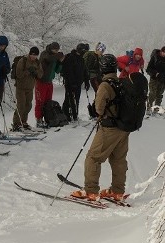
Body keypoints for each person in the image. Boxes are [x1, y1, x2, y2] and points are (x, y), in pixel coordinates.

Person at [71, 54, 132, 202]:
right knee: (119, 160)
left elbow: (99, 109)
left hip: (109, 128)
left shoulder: (105, 85)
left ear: (102, 68)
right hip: (124, 128)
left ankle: (91, 191)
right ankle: (117, 191)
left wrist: (96, 110)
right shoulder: (122, 82)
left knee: (93, 158)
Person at [11, 47, 44, 131]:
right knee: (21, 105)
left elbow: (40, 74)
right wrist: (28, 72)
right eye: (32, 54)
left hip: (30, 87)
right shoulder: (23, 61)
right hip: (21, 87)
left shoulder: (37, 62)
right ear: (30, 53)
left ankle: (23, 122)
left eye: (35, 55)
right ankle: (16, 123)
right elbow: (18, 74)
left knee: (28, 105)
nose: (34, 56)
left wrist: (35, 72)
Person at [35, 42, 64, 128]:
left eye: (57, 50)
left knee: (48, 102)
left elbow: (57, 70)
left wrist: (60, 62)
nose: (56, 51)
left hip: (49, 81)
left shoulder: (54, 57)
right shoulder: (45, 53)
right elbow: (48, 59)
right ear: (51, 48)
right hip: (41, 81)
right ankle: (39, 120)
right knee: (40, 101)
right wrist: (57, 57)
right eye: (55, 50)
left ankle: (48, 118)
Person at [61, 43, 88, 122]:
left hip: (78, 83)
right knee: (69, 99)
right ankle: (66, 115)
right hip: (70, 83)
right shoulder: (71, 58)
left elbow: (84, 71)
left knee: (76, 99)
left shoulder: (81, 59)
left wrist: (86, 81)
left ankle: (75, 115)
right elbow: (69, 72)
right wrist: (72, 83)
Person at [145, 46, 165, 113]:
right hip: (154, 79)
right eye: (163, 52)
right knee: (152, 94)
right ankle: (149, 108)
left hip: (162, 80)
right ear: (161, 51)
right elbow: (148, 69)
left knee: (159, 95)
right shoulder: (154, 58)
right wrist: (155, 73)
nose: (164, 54)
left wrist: (164, 74)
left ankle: (156, 109)